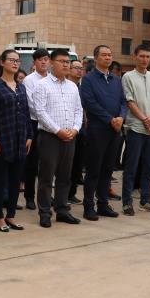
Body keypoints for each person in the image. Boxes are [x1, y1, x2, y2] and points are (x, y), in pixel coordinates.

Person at [33, 49, 83, 227]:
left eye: (68, 62)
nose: (66, 64)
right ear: (51, 63)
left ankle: (62, 210)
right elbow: (40, 112)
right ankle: (45, 212)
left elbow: (79, 110)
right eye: (62, 61)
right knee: (46, 177)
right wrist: (57, 130)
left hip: (70, 137)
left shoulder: (73, 86)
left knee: (65, 176)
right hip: (50, 137)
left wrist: (75, 129)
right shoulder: (42, 85)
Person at [80, 45, 127, 220]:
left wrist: (121, 117)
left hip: (115, 131)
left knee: (108, 169)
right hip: (97, 130)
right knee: (94, 170)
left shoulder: (116, 80)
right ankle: (88, 206)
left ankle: (103, 204)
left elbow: (123, 102)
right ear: (96, 58)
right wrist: (110, 119)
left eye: (110, 54)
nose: (108, 57)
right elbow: (89, 103)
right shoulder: (88, 79)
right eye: (104, 55)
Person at [0, 49, 33, 232]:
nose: (15, 63)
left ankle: (11, 216)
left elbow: (26, 113)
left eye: (17, 61)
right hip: (2, 139)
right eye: (12, 60)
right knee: (0, 181)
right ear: (2, 62)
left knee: (16, 180)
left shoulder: (21, 86)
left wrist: (29, 135)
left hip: (21, 139)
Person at [121, 44, 150, 214]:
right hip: (136, 128)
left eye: (147, 56)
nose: (145, 59)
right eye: (142, 56)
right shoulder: (128, 77)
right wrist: (145, 119)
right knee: (131, 167)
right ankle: (127, 202)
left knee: (149, 166)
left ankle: (145, 200)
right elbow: (129, 101)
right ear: (135, 57)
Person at [20, 49, 50, 211]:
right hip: (33, 124)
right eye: (40, 59)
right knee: (31, 163)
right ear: (34, 62)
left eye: (46, 59)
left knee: (48, 163)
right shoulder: (29, 80)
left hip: (50, 125)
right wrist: (45, 117)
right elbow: (31, 104)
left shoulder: (52, 79)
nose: (43, 62)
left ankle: (46, 196)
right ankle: (29, 197)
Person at [67, 59, 86, 205]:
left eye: (81, 68)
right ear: (69, 69)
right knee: (66, 165)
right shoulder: (65, 86)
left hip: (81, 130)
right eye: (76, 68)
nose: (79, 70)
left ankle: (71, 193)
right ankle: (62, 194)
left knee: (78, 164)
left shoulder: (83, 88)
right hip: (67, 130)